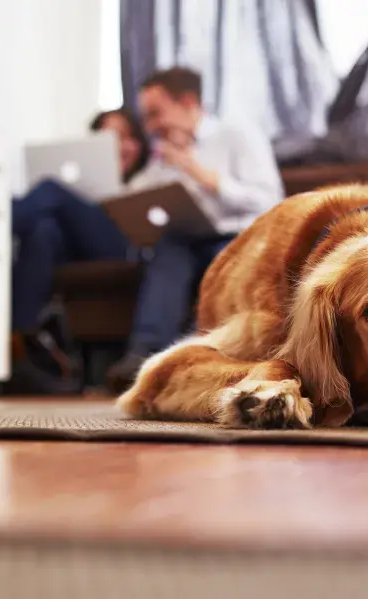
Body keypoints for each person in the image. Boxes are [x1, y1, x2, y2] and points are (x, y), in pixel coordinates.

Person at [106, 66, 284, 388]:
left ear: (187, 103)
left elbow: (270, 200)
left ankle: (204, 361)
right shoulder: (164, 153)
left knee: (216, 258)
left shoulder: (236, 135)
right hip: (186, 239)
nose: (150, 126)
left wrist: (200, 173)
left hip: (237, 237)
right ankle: (142, 358)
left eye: (155, 114)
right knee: (168, 252)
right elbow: (140, 199)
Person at [9, 109, 150, 391]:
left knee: (48, 189)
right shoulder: (77, 192)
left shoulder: (149, 177)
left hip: (121, 246)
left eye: (123, 137)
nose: (117, 146)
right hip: (77, 246)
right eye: (106, 139)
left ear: (138, 142)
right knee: (42, 230)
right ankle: (20, 346)